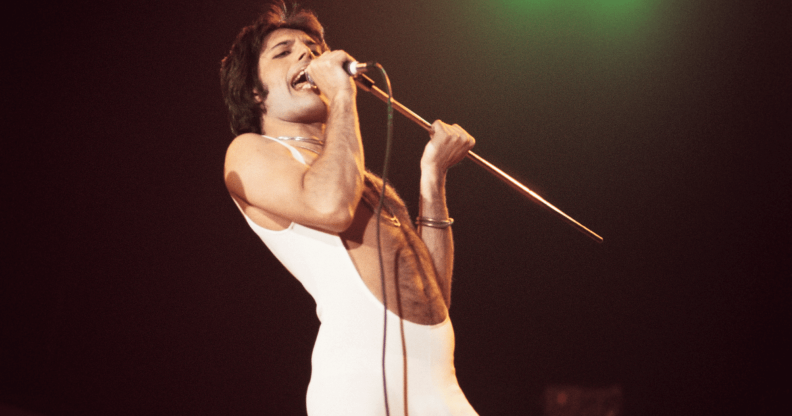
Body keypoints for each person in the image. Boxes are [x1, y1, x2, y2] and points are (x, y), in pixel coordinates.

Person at [220, 3, 478, 415]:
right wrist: (342, 93)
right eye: (284, 51)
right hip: (359, 381)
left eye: (313, 47)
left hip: (438, 382)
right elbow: (331, 207)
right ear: (254, 91)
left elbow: (434, 297)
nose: (308, 55)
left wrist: (433, 178)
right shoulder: (250, 151)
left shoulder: (361, 178)